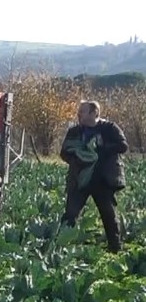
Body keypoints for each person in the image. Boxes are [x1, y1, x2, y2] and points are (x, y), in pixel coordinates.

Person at [60, 100, 127, 252]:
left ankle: (115, 247)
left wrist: (100, 149)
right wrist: (79, 159)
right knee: (70, 213)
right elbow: (64, 152)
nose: (79, 114)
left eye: (83, 111)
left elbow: (123, 146)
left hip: (103, 180)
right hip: (80, 178)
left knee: (108, 214)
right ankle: (60, 245)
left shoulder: (110, 128)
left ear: (94, 113)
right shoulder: (74, 132)